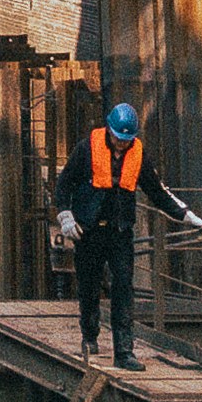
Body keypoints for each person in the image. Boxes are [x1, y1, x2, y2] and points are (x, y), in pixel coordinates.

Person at [57, 93, 146, 367]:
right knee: (89, 286)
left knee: (123, 286)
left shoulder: (137, 154)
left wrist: (185, 214)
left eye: (126, 140)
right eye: (118, 138)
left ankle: (124, 352)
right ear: (109, 130)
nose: (121, 144)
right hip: (89, 231)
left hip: (119, 231)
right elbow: (64, 183)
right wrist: (66, 216)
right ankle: (89, 334)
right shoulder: (86, 149)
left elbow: (155, 189)